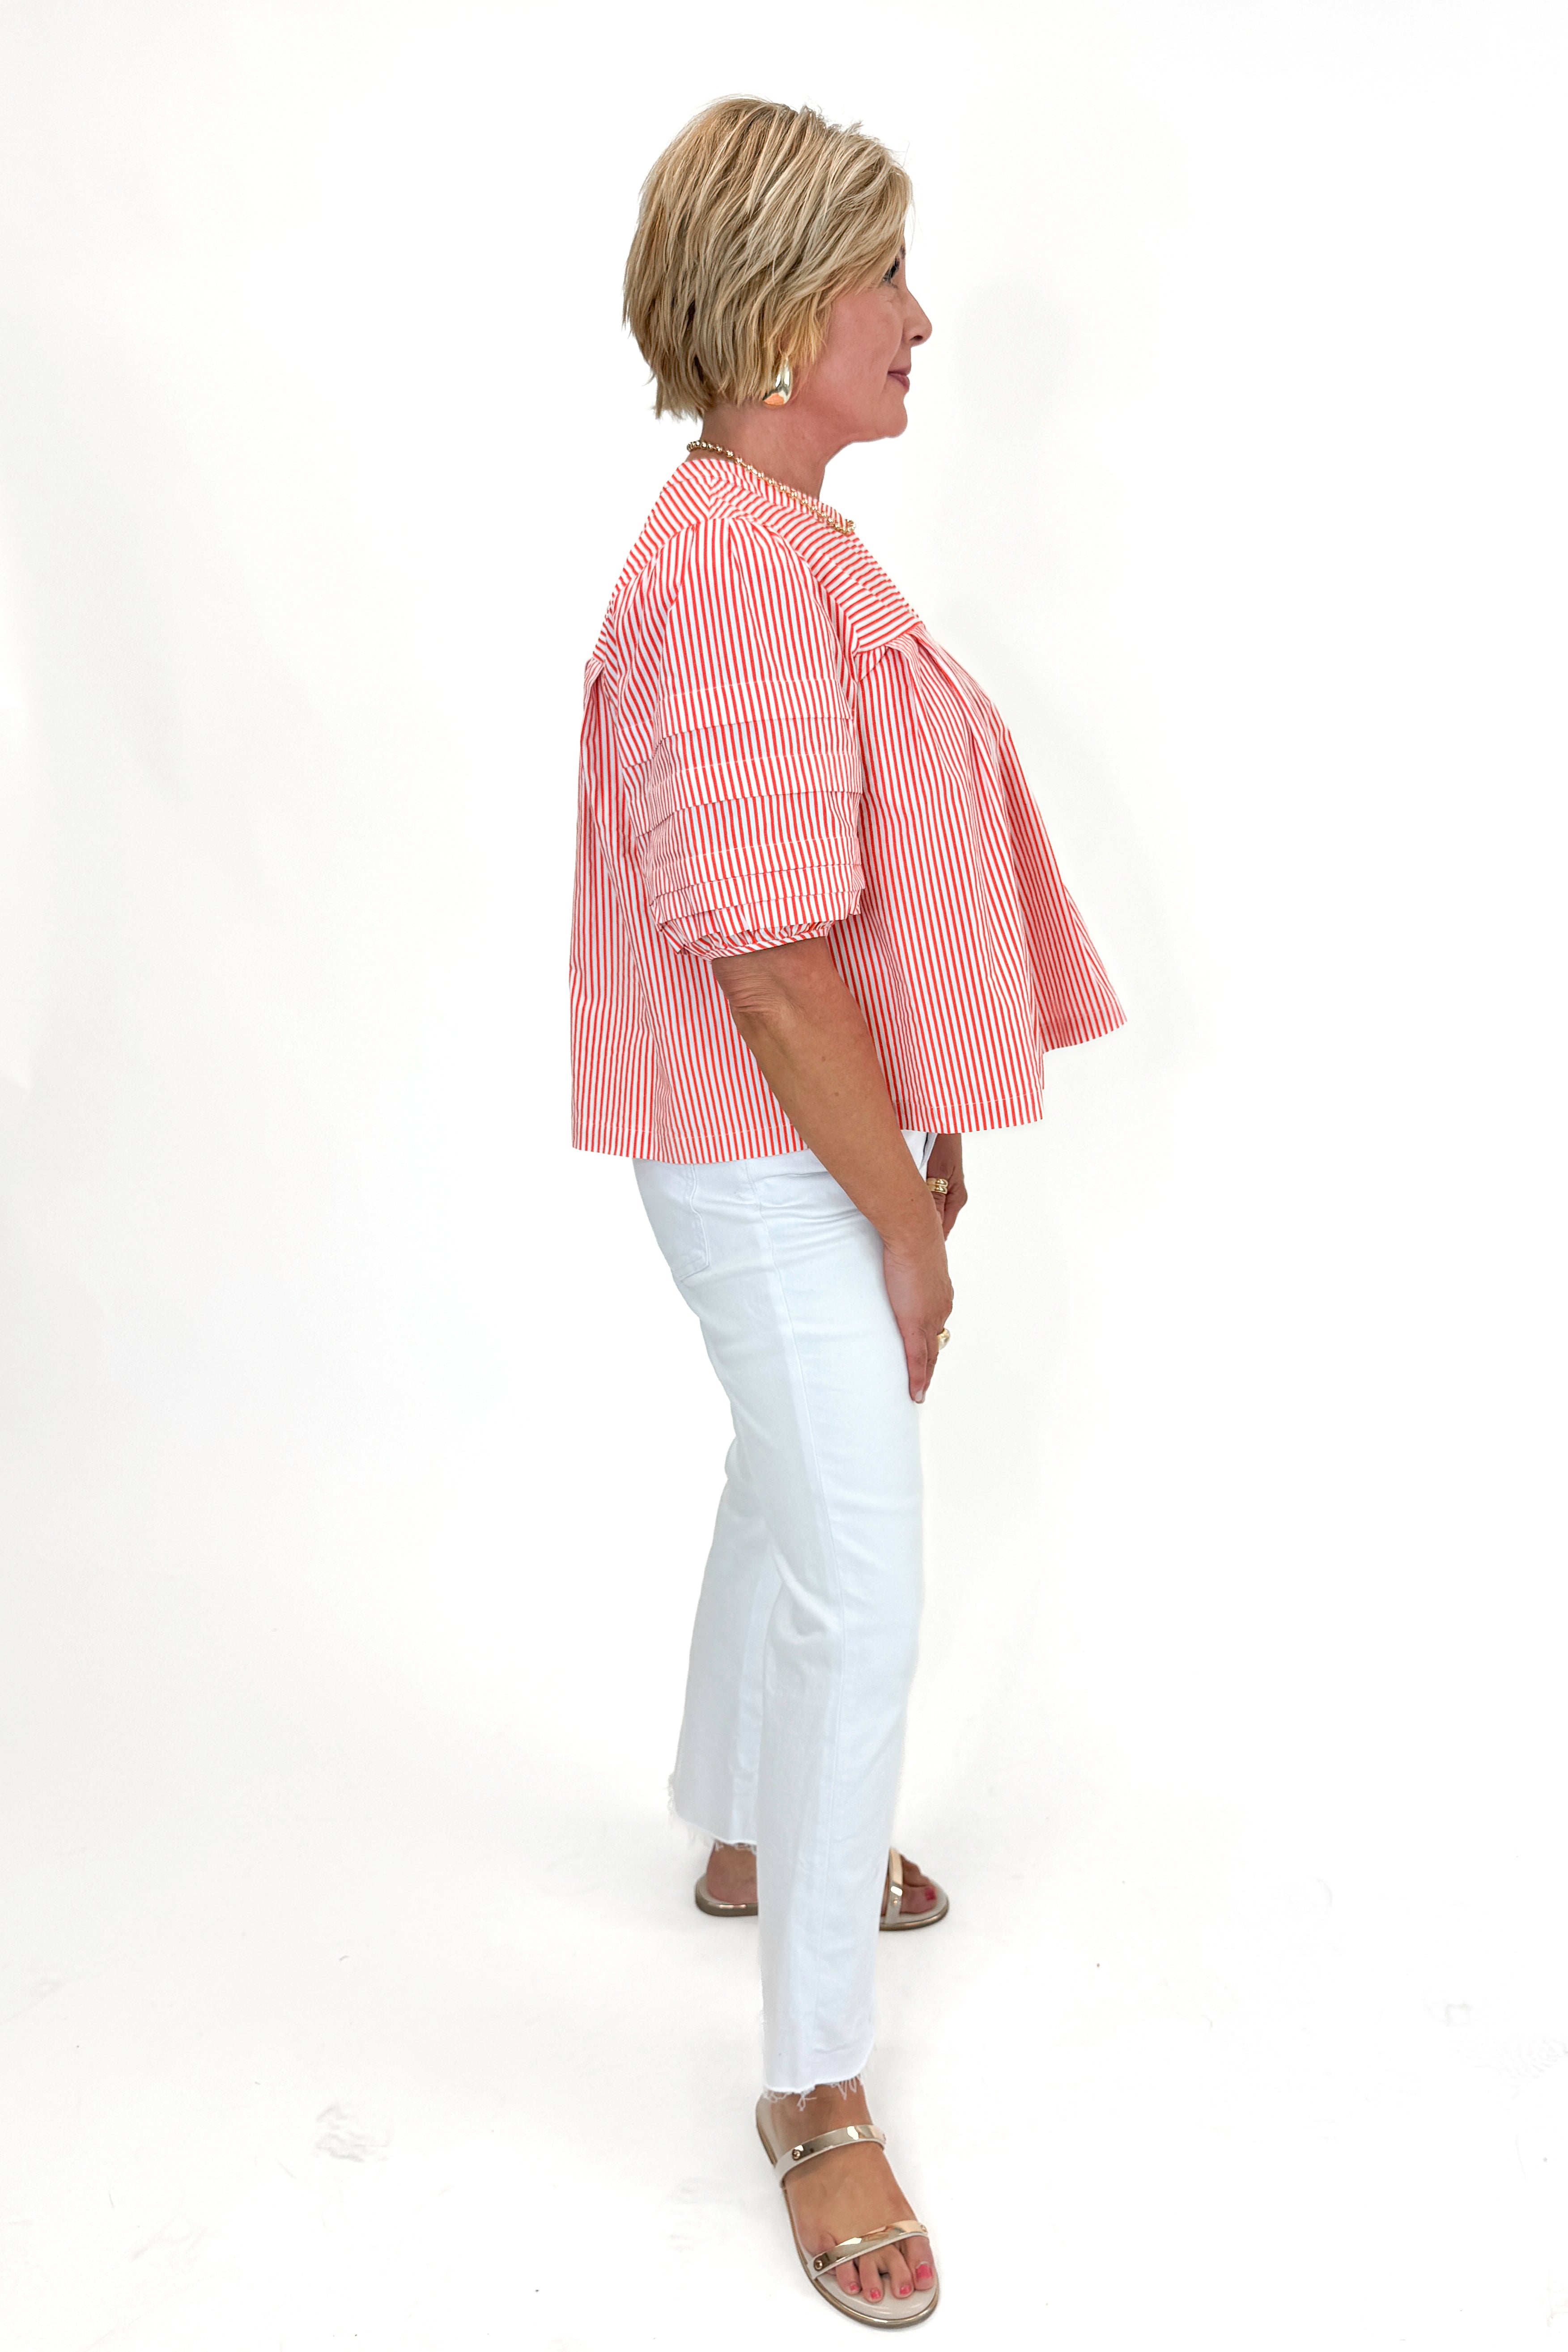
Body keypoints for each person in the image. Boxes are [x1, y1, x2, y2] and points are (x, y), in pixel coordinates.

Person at [570, 96, 1124, 2327]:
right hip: (763, 1152)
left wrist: (917, 1116)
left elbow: (845, 899)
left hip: (793, 1136)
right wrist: (894, 1204)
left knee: (779, 1490)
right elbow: (769, 950)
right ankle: (812, 2091)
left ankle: (733, 1826)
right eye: (883, 279)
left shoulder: (782, 530)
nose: (918, 318)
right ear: (789, 311)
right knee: (865, 1589)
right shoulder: (724, 564)